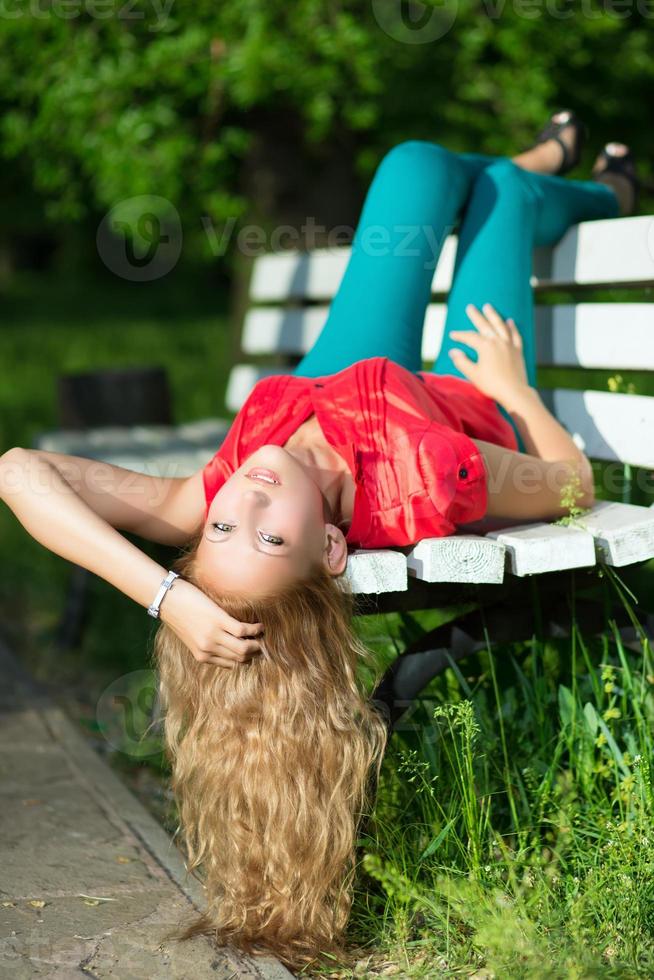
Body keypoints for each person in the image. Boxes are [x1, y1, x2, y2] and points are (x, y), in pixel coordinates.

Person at [0, 112, 638, 972]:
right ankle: (598, 189)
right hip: (452, 401)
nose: (244, 501)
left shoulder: (233, 473)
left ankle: (540, 163)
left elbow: (15, 470)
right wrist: (514, 391)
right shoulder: (432, 473)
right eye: (267, 536)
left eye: (222, 526)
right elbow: (575, 488)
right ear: (333, 549)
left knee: (414, 162)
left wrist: (169, 596)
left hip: (326, 391)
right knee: (504, 195)